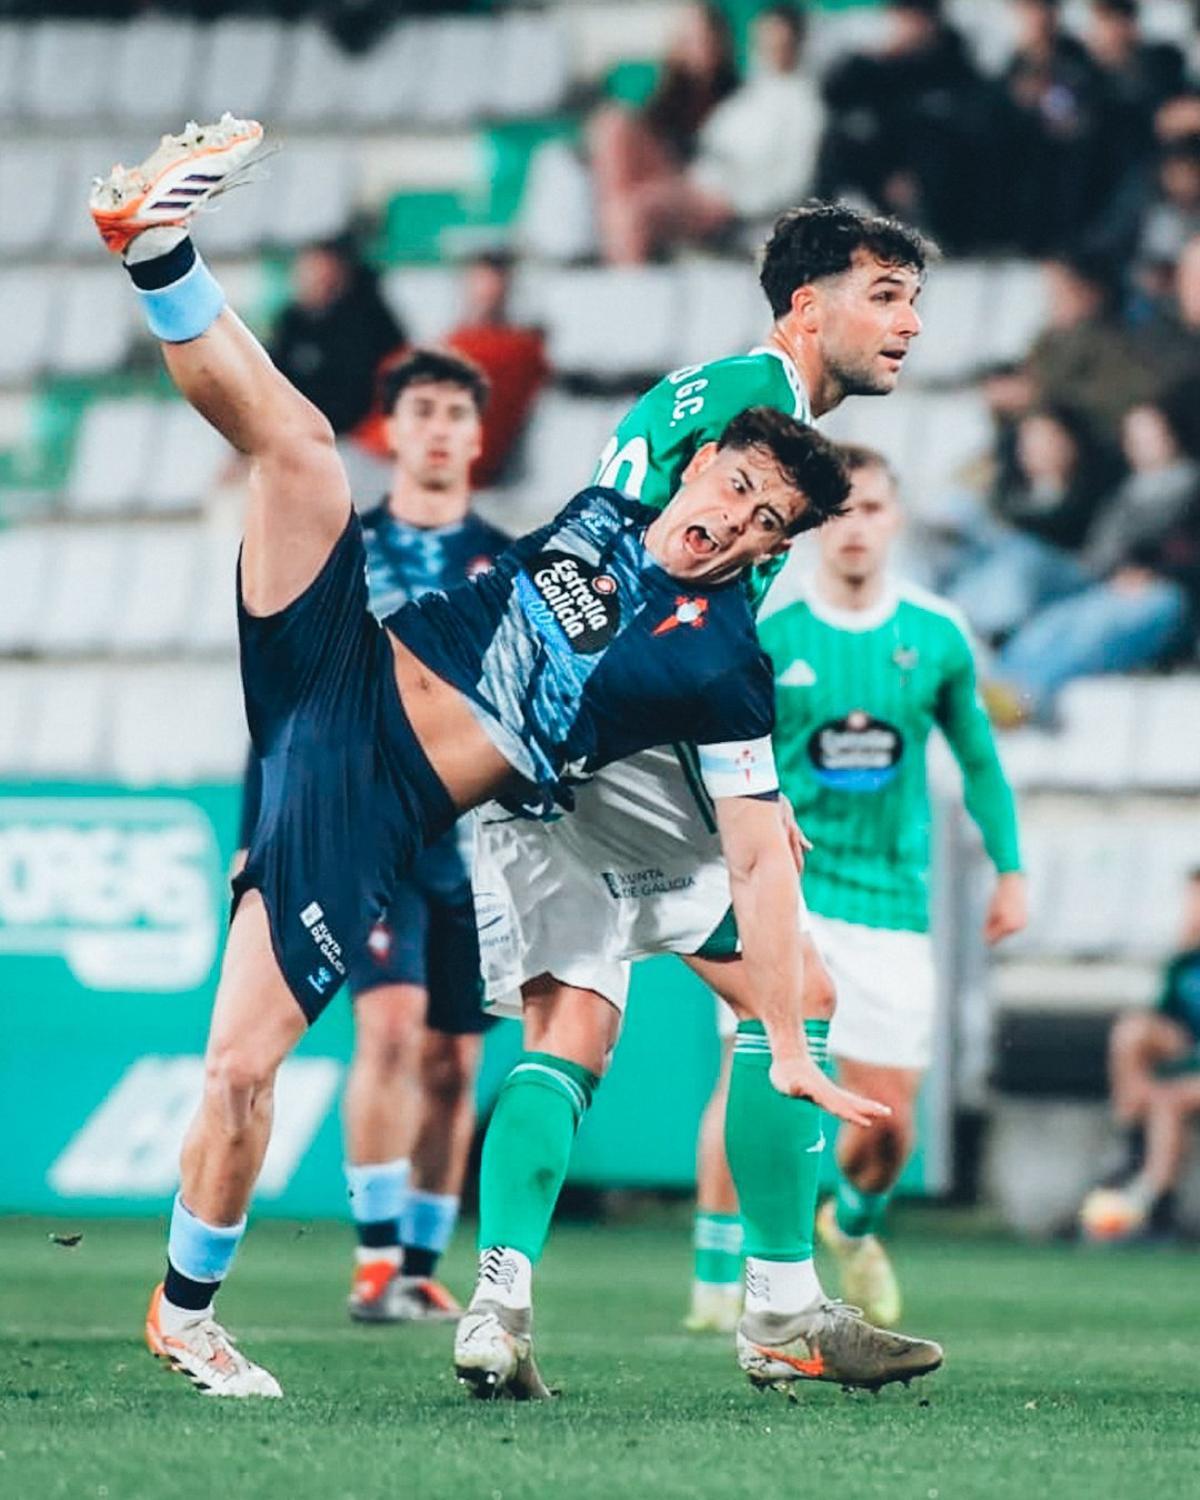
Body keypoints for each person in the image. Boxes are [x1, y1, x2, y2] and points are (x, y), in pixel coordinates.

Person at [89, 116, 881, 1401]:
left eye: (763, 518)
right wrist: (782, 364)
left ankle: (185, 1313)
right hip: (335, 660)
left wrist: (789, 1032)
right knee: (299, 455)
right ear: (700, 468)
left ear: (768, 547)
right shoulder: (617, 498)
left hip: (368, 800)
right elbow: (709, 398)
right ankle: (156, 249)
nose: (731, 515)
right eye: (732, 483)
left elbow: (751, 842)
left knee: (239, 1069)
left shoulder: (725, 667)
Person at [460, 204, 943, 1391]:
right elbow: (660, 596)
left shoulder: (708, 394)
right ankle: (779, 1308)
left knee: (570, 1022)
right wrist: (733, 779)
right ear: (805, 306)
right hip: (620, 732)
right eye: (883, 293)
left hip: (535, 717)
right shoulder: (754, 416)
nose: (910, 323)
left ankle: (496, 1310)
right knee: (799, 992)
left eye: (913, 299)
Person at [239, 349, 510, 1323]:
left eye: (455, 413)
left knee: (456, 1061)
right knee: (389, 1028)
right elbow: (288, 701)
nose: (439, 428)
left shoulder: (513, 562)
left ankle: (423, 1264)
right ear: (390, 430)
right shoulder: (343, 554)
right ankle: (372, 1260)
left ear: (479, 437)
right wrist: (256, 827)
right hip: (370, 832)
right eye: (421, 410)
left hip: (480, 849)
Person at [756, 446, 1025, 1326]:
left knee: (885, 1134)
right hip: (790, 900)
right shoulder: (773, 632)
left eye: (870, 509)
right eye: (836, 512)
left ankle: (855, 1221)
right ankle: (754, 1281)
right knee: (765, 1087)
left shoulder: (936, 634)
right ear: (810, 525)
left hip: (894, 909)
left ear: (896, 519)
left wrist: (1011, 870)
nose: (854, 528)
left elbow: (979, 761)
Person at [988, 396, 1200, 725]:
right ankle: (995, 685)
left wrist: (1156, 573)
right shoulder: (1123, 494)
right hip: (1112, 586)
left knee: (1127, 614)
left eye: (1152, 435)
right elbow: (1100, 555)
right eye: (1135, 437)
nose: (1144, 446)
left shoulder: (1192, 490)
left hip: (1173, 599)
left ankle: (1026, 694)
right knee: (1058, 619)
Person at [595, 4, 825, 261]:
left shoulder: (803, 106)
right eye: (766, 43)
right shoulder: (749, 93)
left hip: (723, 198)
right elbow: (709, 145)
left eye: (781, 44)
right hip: (697, 177)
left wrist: (737, 198)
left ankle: (629, 285)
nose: (772, 52)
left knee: (630, 214)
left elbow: (791, 181)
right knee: (613, 126)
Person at [816, 0, 997, 252]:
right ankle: (828, 229)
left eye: (913, 19)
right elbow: (834, 97)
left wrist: (916, 178)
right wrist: (866, 61)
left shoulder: (957, 72)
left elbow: (968, 133)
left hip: (944, 195)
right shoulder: (880, 69)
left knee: (933, 139)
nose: (907, 28)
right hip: (886, 181)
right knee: (840, 138)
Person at [1080, 867, 1200, 1242]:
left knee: (1168, 1097)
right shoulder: (1184, 963)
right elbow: (1166, 1022)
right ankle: (1130, 1135)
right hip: (1188, 1063)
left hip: (1189, 1070)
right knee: (1133, 1030)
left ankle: (1151, 1202)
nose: (1191, 911)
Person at [589, 1, 738, 264]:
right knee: (612, 124)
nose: (696, 47)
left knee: (633, 213)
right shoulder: (671, 96)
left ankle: (628, 277)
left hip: (711, 191)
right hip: (672, 181)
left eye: (703, 37)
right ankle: (621, 243)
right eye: (687, 39)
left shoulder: (737, 99)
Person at [269, 234, 404, 436]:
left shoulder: (369, 324)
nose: (313, 278)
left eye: (320, 269)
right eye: (307, 269)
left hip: (357, 439)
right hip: (296, 433)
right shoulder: (292, 321)